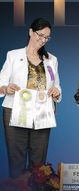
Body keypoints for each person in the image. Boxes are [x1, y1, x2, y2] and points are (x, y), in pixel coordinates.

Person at [0, 18, 61, 178]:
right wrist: (7, 88)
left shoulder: (52, 60)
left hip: (42, 112)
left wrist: (56, 92)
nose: (42, 40)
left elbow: (57, 86)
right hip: (15, 111)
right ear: (30, 32)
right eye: (40, 35)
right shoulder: (13, 55)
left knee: (39, 161)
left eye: (46, 38)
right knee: (16, 158)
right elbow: (1, 84)